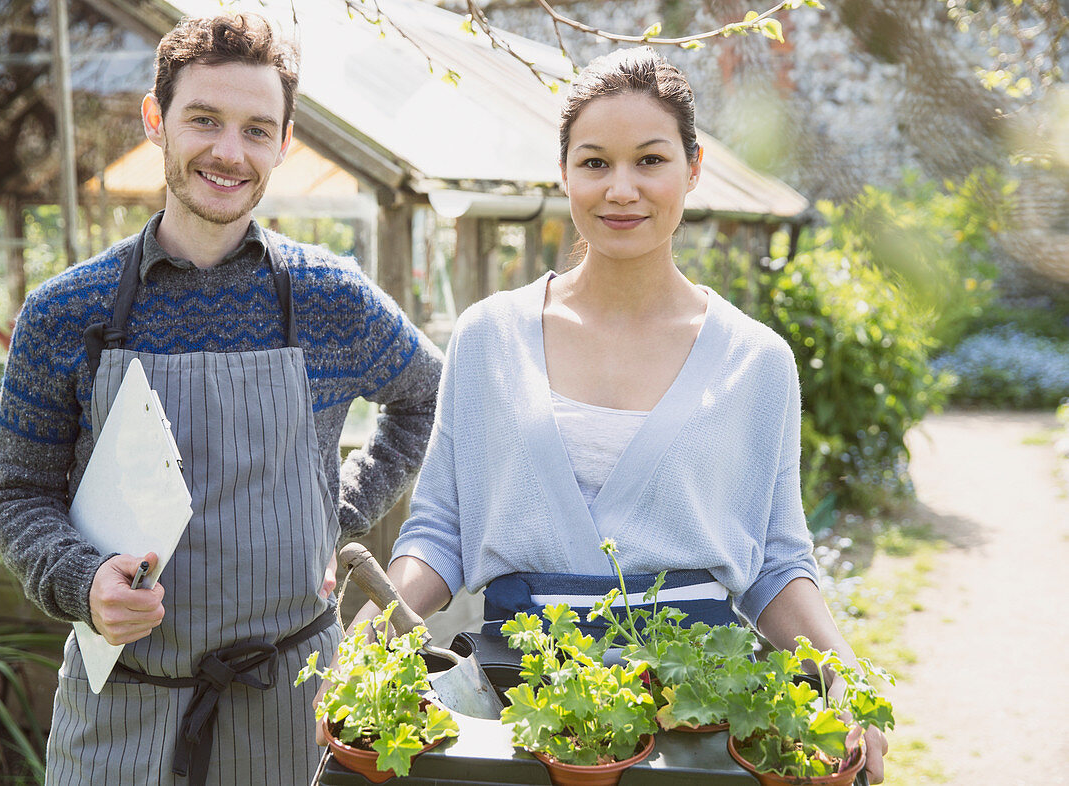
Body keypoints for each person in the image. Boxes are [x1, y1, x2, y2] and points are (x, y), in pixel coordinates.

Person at [335, 47, 887, 782]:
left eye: (649, 161)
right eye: (594, 163)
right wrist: (373, 634)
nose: (620, 189)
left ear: (692, 170)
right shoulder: (489, 336)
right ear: (564, 173)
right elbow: (442, 528)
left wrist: (842, 677)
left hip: (697, 719)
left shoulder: (755, 361)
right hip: (514, 705)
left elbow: (777, 560)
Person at [0, 13, 442, 786]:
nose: (230, 152)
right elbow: (18, 493)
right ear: (156, 120)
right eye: (205, 120)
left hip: (294, 708)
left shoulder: (330, 297)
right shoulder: (67, 312)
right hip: (122, 711)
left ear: (284, 144)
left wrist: (338, 510)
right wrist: (78, 580)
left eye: (257, 129)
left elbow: (427, 397)